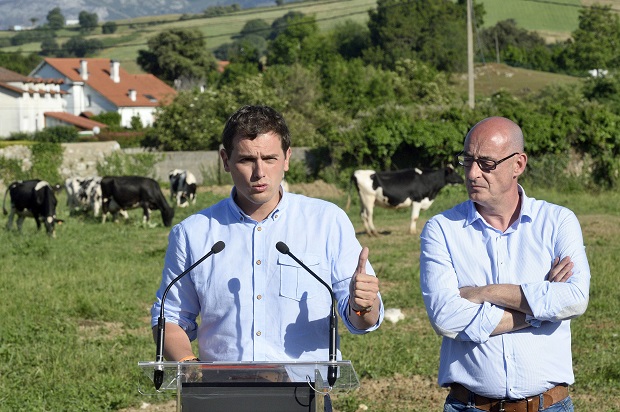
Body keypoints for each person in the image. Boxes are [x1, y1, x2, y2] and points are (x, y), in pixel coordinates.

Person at [151, 105, 383, 368]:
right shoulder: (192, 233)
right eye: (247, 160)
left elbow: (362, 320)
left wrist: (363, 304)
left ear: (287, 158)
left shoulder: (327, 221)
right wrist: (193, 370)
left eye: (270, 159)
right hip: (221, 395)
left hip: (307, 396)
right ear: (225, 160)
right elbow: (168, 318)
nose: (259, 172)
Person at [420, 117, 590, 412]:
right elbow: (446, 317)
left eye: (486, 163)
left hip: (548, 406)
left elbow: (574, 299)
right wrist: (539, 309)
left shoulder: (558, 221)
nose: (473, 173)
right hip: (470, 406)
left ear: (518, 165)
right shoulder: (442, 228)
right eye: (468, 160)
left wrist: (486, 292)